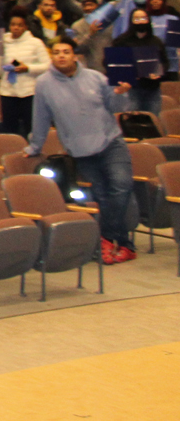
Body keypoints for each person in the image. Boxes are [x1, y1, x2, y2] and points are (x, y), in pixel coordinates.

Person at [25, 39, 138, 264]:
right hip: (80, 150)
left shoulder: (95, 77)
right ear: (52, 57)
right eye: (56, 53)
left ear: (74, 56)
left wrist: (121, 93)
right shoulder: (44, 84)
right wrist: (35, 146)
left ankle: (107, 238)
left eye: (66, 52)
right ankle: (123, 244)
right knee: (103, 196)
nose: (61, 56)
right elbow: (41, 117)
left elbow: (118, 107)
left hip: (111, 142)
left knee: (122, 185)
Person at [0, 9, 51, 136]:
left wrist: (28, 68)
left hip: (29, 92)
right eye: (13, 24)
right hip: (8, 92)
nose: (16, 28)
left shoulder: (35, 43)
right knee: (9, 129)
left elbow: (48, 65)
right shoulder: (2, 42)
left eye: (20, 25)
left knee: (31, 127)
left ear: (25, 27)